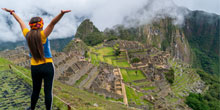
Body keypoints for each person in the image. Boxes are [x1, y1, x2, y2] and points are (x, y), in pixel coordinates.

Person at [2, 8, 71, 110]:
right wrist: (61, 14)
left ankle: (32, 108)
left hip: (35, 67)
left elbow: (20, 21)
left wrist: (12, 12)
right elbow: (52, 23)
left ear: (30, 26)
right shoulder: (43, 35)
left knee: (35, 90)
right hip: (47, 66)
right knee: (48, 91)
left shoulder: (27, 35)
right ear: (41, 25)